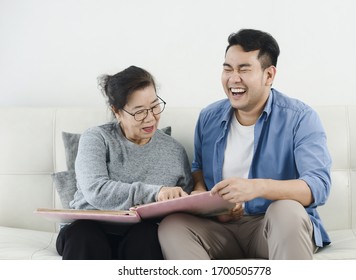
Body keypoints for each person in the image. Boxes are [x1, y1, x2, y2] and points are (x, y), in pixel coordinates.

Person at [158, 29, 332, 260]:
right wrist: (204, 199)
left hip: (271, 228)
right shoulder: (208, 117)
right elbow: (198, 168)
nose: (233, 78)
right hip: (222, 228)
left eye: (244, 69)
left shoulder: (300, 118)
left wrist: (257, 188)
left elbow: (318, 186)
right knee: (173, 226)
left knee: (286, 210)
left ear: (269, 75)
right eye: (228, 69)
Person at [56, 65, 193, 260]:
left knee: (148, 236)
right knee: (85, 234)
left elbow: (183, 205)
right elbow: (96, 190)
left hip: (139, 233)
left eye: (155, 106)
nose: (151, 118)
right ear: (117, 111)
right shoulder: (96, 138)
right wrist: (156, 193)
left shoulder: (175, 151)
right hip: (87, 229)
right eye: (139, 112)